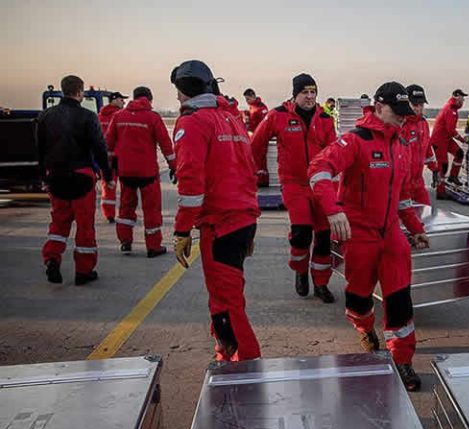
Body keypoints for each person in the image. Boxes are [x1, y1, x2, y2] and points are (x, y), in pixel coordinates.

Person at [308, 81, 429, 391]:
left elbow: (402, 197)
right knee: (359, 297)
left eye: (406, 113)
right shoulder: (355, 141)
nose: (403, 118)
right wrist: (333, 211)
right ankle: (364, 326)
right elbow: (319, 169)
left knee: (400, 298)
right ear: (378, 107)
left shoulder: (401, 146)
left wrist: (415, 229)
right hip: (359, 234)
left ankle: (402, 359)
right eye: (396, 112)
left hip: (391, 234)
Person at [170, 60, 261, 361]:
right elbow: (248, 169)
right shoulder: (230, 118)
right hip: (242, 218)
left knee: (227, 303)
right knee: (225, 298)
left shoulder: (193, 122)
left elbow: (191, 185)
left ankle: (247, 366)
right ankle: (225, 355)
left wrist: (182, 230)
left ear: (182, 90)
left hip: (221, 224)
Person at [251, 73, 337, 303]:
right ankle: (300, 270)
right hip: (294, 184)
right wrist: (253, 172)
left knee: (324, 236)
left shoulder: (326, 117)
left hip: (321, 184)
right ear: (295, 94)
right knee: (301, 233)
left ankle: (321, 283)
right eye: (305, 92)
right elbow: (255, 146)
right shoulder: (277, 115)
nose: (310, 96)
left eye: (313, 92)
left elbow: (334, 152)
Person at [38, 75, 113, 285]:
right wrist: (107, 175)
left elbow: (40, 149)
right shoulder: (88, 117)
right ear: (80, 92)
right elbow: (99, 148)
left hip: (56, 176)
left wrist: (44, 176)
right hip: (81, 176)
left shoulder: (46, 116)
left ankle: (52, 258)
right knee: (84, 224)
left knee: (59, 221)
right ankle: (84, 270)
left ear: (63, 90)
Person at [105, 86, 175, 257]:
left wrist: (111, 165)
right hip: (147, 172)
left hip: (126, 171)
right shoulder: (152, 117)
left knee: (126, 207)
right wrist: (174, 166)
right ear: (149, 99)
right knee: (151, 209)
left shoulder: (118, 116)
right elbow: (166, 145)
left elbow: (108, 143)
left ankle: (125, 242)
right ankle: (153, 246)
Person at [403, 84, 439, 205]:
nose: (418, 108)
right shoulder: (400, 124)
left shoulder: (423, 124)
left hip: (418, 183)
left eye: (421, 105)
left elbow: (427, 148)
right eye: (414, 105)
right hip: (402, 183)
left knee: (425, 211)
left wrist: (434, 169)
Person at [429, 89, 469, 197]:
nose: (463, 100)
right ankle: (440, 191)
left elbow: (450, 131)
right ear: (456, 96)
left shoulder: (454, 109)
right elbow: (451, 129)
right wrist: (462, 139)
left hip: (446, 138)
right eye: (462, 97)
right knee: (443, 165)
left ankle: (453, 176)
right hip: (439, 140)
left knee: (459, 153)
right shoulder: (450, 109)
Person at [97, 91, 128, 223]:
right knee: (126, 186)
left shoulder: (99, 117)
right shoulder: (120, 116)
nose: (123, 102)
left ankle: (108, 213)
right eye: (122, 100)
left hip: (104, 157)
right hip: (119, 156)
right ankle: (125, 213)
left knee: (107, 185)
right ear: (114, 100)